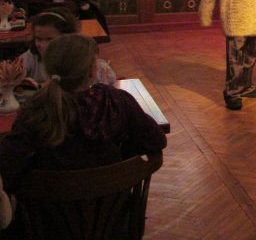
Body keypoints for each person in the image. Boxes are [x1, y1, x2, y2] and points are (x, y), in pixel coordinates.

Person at [0, 34, 166, 199]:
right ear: (92, 69)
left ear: (48, 69)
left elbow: (8, 166)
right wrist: (122, 157)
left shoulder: (34, 109)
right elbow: (156, 140)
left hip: (46, 212)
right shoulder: (115, 100)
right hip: (113, 209)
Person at [18, 7, 116, 85]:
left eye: (50, 40)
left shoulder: (79, 56)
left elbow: (110, 77)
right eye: (39, 39)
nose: (43, 45)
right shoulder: (32, 56)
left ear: (68, 39)